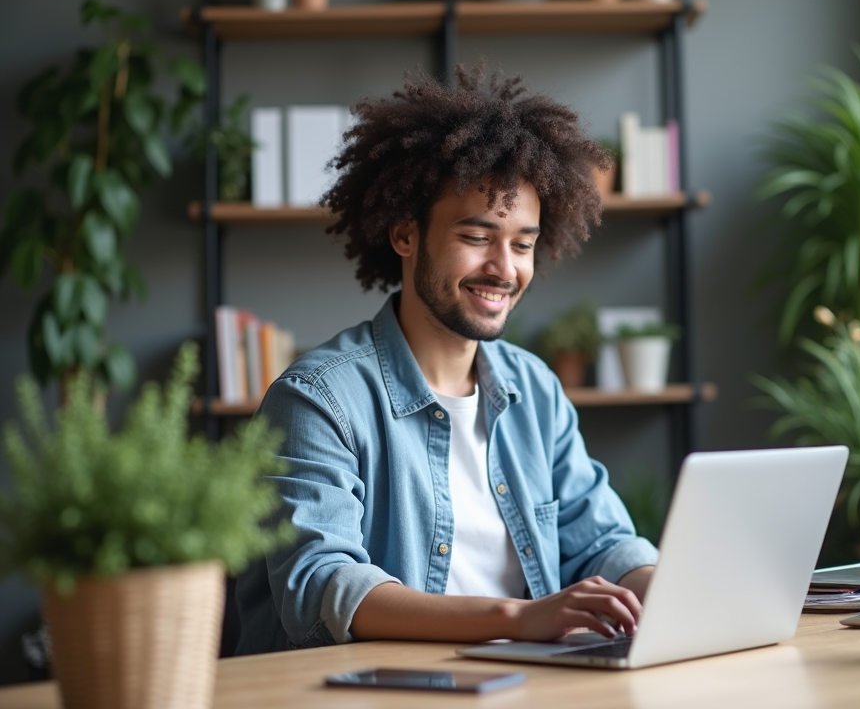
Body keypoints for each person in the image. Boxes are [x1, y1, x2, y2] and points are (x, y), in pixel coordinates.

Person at [235, 65, 659, 655]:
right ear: (406, 235)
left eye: (523, 244)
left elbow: (603, 543)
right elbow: (323, 585)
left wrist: (667, 590)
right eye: (476, 237)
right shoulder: (318, 399)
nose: (504, 269)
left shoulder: (533, 388)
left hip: (528, 686)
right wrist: (520, 619)